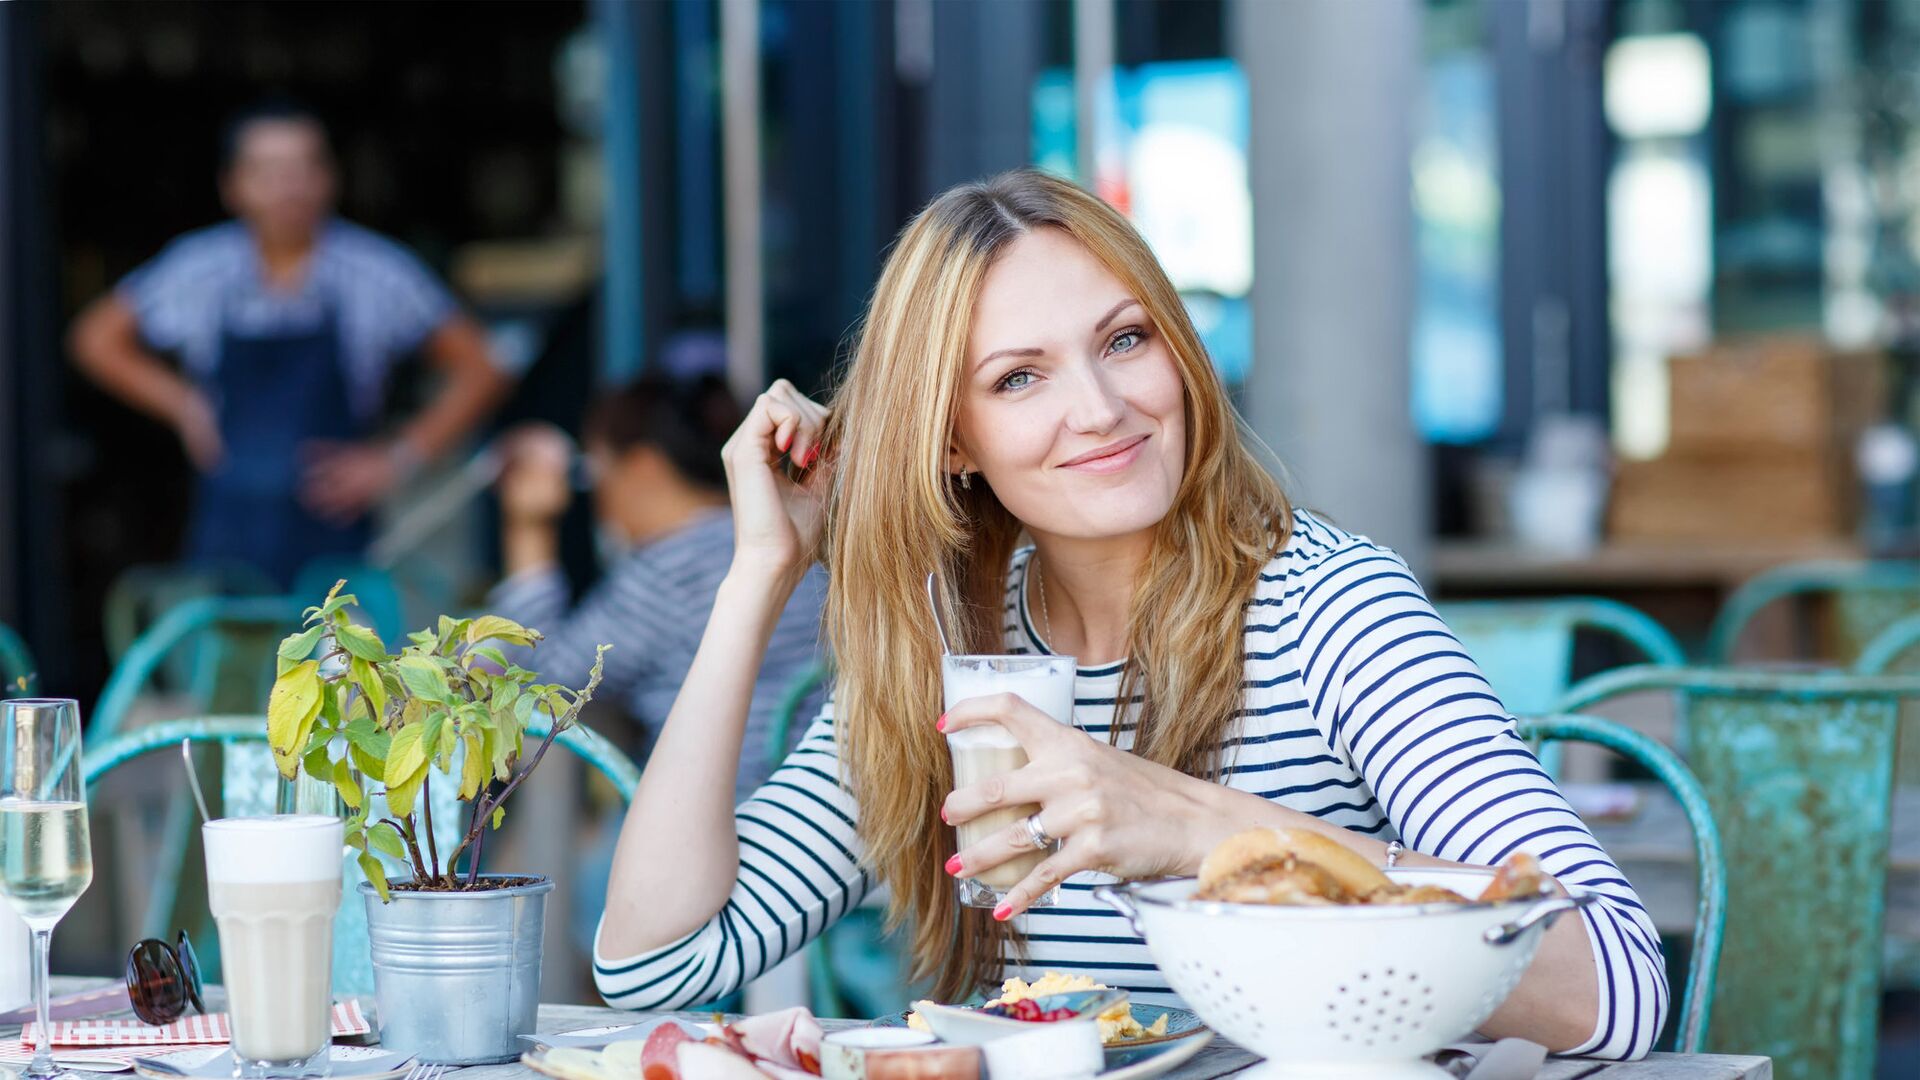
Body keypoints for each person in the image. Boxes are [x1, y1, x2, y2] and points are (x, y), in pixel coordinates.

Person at [594, 171, 1666, 1059]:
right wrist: (759, 575)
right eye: (1019, 379)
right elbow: (655, 962)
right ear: (953, 441)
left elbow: (1612, 990)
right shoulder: (959, 655)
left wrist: (1205, 829)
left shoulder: (1328, 610)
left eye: (1124, 341)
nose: (1101, 411)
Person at [68, 100, 510, 585]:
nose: (290, 186)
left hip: (337, 537)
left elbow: (484, 367)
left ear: (330, 178)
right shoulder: (199, 268)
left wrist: (397, 458)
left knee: (341, 657)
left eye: (306, 167)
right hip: (227, 535)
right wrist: (185, 406)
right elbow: (95, 339)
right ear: (233, 186)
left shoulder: (376, 272)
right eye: (270, 171)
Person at [488, 376, 826, 796]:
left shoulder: (665, 573)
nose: (595, 498)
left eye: (592, 471)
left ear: (643, 467)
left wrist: (528, 528)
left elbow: (536, 688)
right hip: (820, 803)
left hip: (726, 815)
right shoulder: (798, 536)